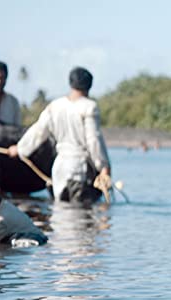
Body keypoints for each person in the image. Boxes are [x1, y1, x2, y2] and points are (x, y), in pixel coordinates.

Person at [7, 67, 111, 203]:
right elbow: (93, 141)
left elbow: (38, 132)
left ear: (71, 83)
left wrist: (19, 149)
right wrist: (103, 167)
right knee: (81, 215)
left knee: (61, 214)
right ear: (89, 86)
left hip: (59, 170)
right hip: (79, 169)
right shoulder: (90, 107)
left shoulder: (55, 106)